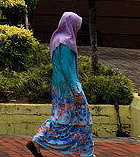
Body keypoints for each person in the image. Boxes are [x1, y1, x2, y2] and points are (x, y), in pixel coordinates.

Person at [28, 12, 93, 157]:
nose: (77, 30)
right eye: (77, 26)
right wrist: (76, 91)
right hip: (69, 87)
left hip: (58, 87)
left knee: (62, 117)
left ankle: (37, 141)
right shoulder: (67, 42)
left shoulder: (56, 39)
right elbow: (67, 68)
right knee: (83, 119)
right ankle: (85, 153)